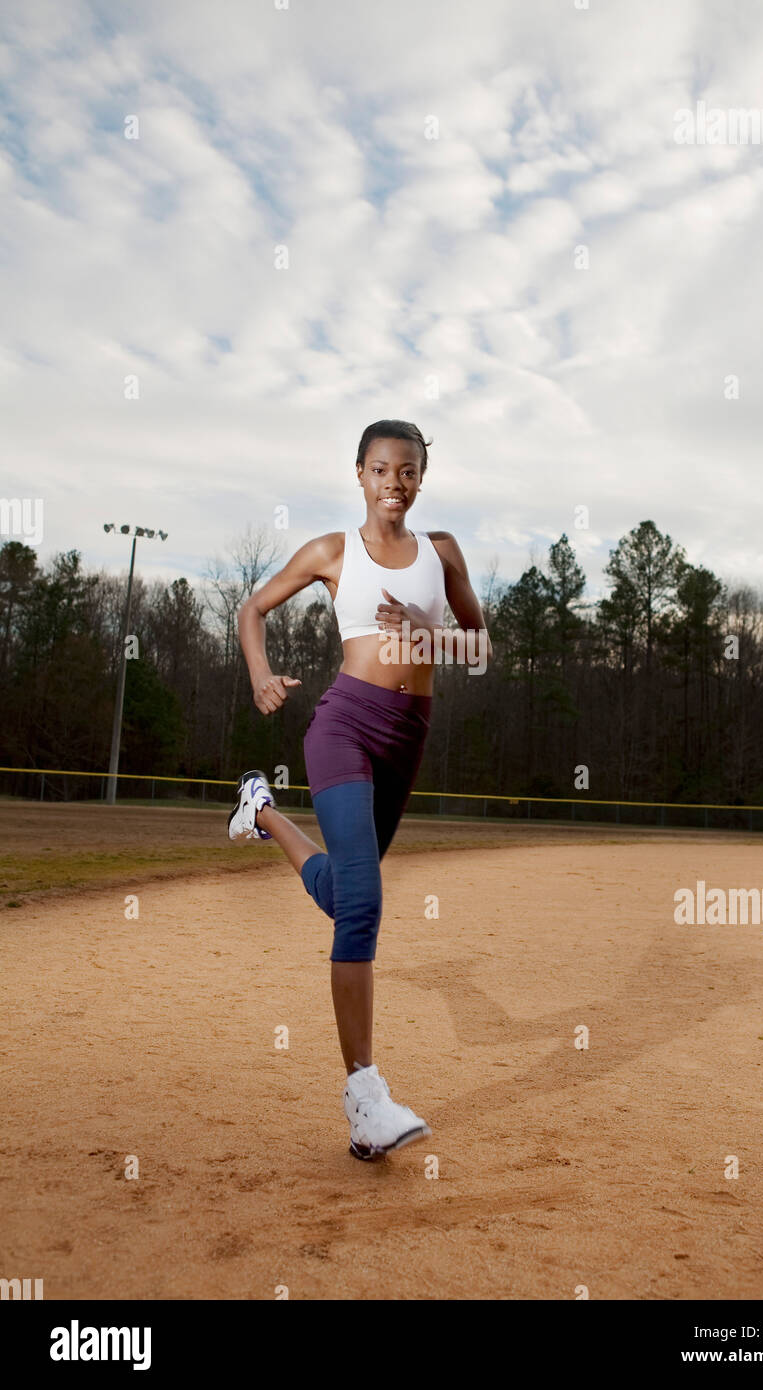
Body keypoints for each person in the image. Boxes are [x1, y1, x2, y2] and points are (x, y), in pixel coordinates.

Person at [229, 420, 492, 1159]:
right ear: (360, 474)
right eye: (381, 470)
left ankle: (260, 811)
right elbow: (251, 610)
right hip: (343, 724)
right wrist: (259, 674)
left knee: (347, 896)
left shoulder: (442, 554)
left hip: (407, 736)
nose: (395, 483)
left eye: (408, 471)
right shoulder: (332, 551)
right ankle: (364, 1096)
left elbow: (480, 645)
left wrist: (423, 631)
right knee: (366, 905)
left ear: (420, 478)